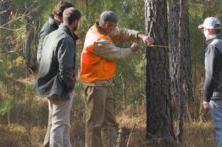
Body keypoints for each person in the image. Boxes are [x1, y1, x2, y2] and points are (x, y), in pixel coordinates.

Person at [80, 11, 154, 147]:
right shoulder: (98, 40)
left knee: (110, 122)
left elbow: (121, 32)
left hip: (105, 82)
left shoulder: (104, 30)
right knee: (95, 123)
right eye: (113, 26)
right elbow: (117, 54)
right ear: (107, 25)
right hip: (95, 85)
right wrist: (131, 49)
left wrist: (140, 35)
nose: (115, 29)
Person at [33, 7, 81, 147]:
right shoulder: (66, 38)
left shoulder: (52, 35)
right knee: (58, 126)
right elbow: (65, 68)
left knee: (64, 124)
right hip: (60, 87)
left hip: (50, 85)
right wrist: (70, 85)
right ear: (75, 22)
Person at [198, 17, 222, 147]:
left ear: (208, 31)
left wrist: (205, 98)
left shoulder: (213, 47)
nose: (203, 32)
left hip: (219, 94)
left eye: (203, 29)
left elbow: (210, 75)